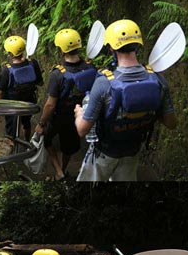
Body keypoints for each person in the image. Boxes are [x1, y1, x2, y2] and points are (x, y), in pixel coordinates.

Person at [74, 19, 176, 181]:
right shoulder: (158, 80)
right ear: (138, 45)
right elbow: (171, 123)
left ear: (111, 48)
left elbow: (82, 130)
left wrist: (79, 113)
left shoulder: (104, 83)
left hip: (104, 154)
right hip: (133, 152)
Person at [35, 29, 97, 179]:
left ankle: (58, 171)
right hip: (79, 115)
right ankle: (63, 168)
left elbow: (50, 105)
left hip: (59, 116)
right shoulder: (90, 68)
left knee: (47, 140)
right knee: (69, 148)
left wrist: (42, 123)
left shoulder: (58, 74)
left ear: (61, 50)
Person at [0, 35, 43, 142]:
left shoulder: (7, 70)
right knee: (26, 123)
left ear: (10, 53)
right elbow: (40, 83)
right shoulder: (33, 63)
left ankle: (11, 147)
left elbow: (0, 92)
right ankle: (27, 142)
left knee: (10, 128)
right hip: (29, 101)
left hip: (12, 105)